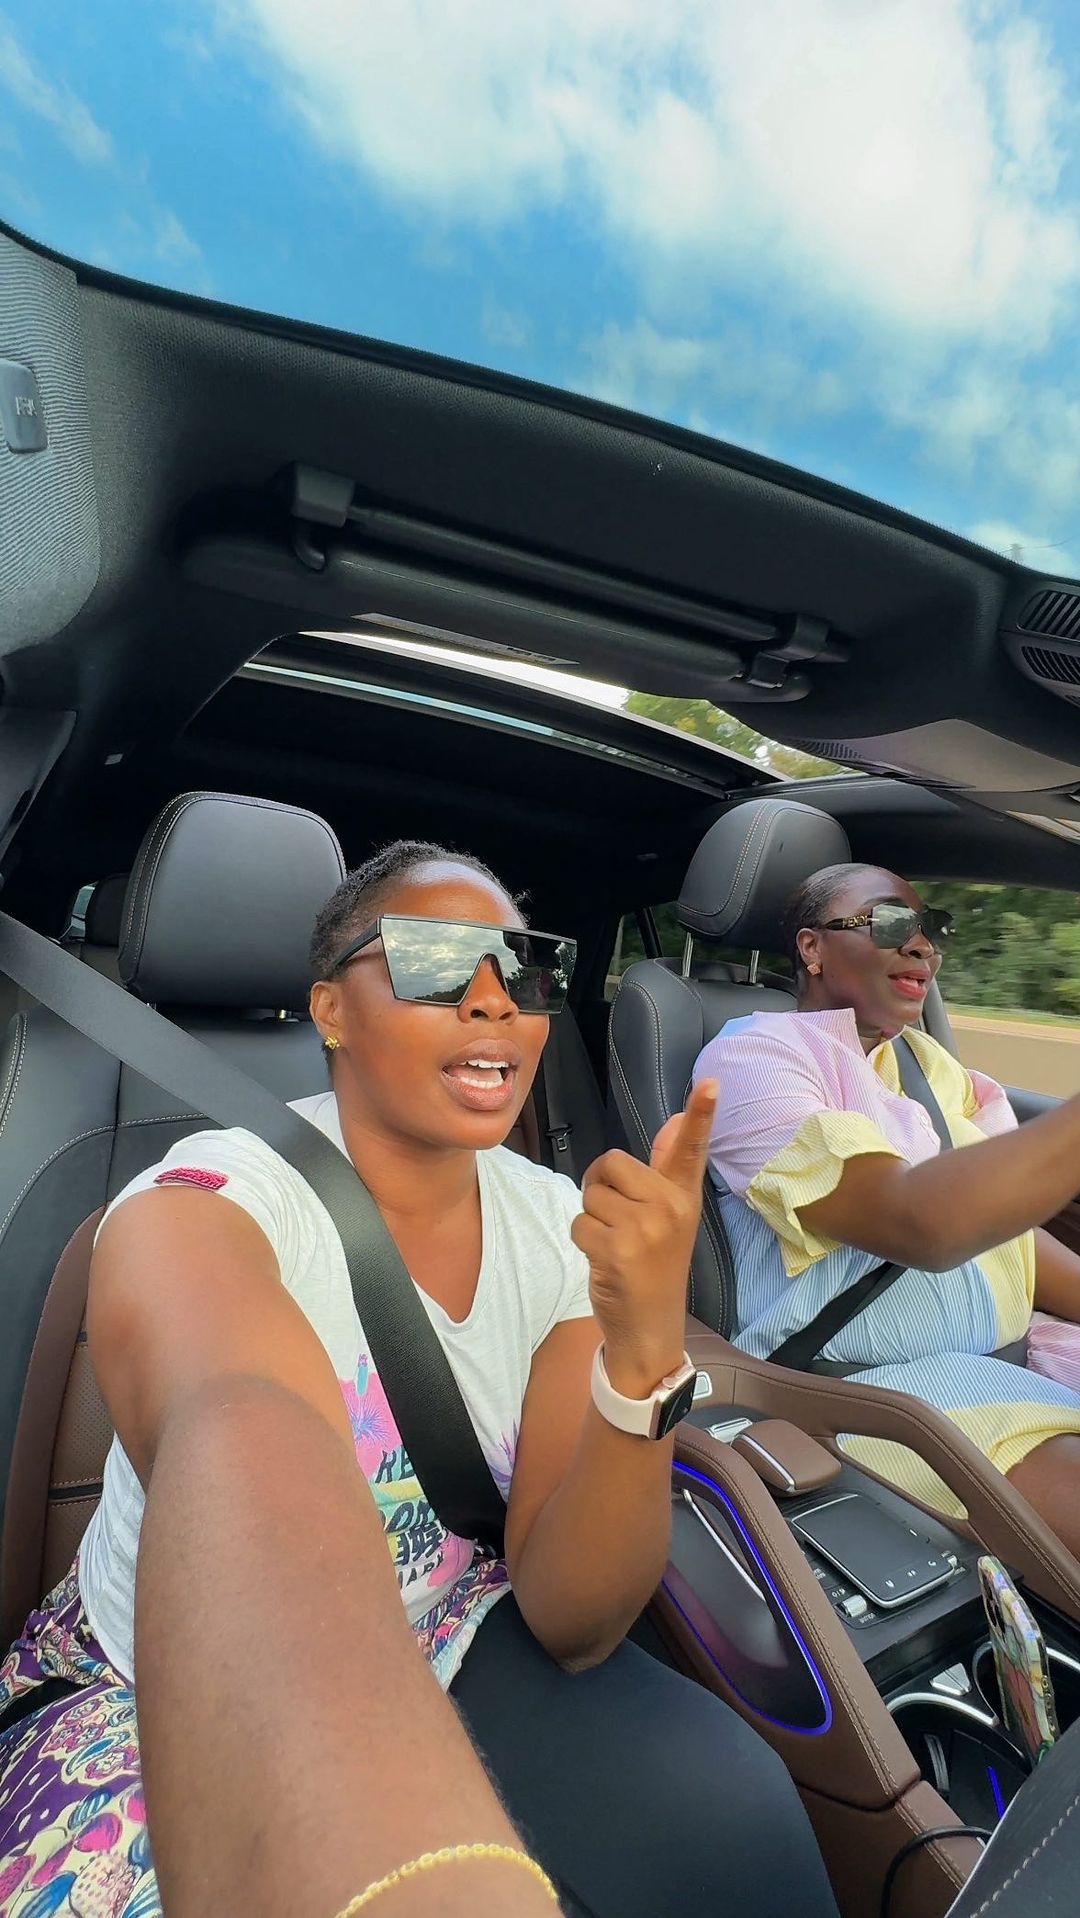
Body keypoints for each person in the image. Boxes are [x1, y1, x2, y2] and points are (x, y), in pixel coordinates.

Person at [0, 841, 838, 1918]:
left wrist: (640, 1356)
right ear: (330, 1011)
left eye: (522, 967)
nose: (494, 1000)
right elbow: (237, 1427)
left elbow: (571, 1615)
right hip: (163, 1682)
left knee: (733, 1826)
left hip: (453, 1621)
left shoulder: (557, 1226)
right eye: (436, 962)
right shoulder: (207, 1202)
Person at [694, 861, 1080, 1549]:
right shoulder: (754, 1059)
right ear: (812, 948)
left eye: (932, 928)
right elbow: (917, 1224)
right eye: (893, 922)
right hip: (871, 1396)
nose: (922, 945)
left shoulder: (929, 1065)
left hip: (1011, 1360)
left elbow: (1005, 1232)